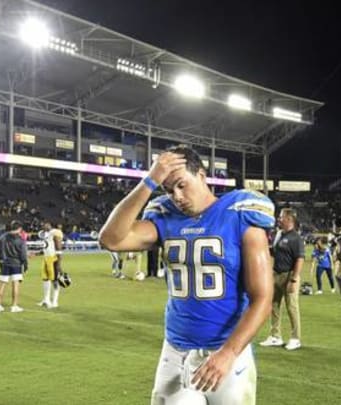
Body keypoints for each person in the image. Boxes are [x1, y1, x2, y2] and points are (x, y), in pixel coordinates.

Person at [99, 145, 274, 404]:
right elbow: (111, 239)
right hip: (176, 352)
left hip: (227, 353)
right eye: (169, 190)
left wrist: (228, 353)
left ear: (201, 176)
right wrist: (149, 182)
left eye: (182, 185)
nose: (177, 196)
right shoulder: (165, 216)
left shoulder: (240, 212)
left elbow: (262, 298)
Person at [260, 208, 305, 351]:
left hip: (289, 275)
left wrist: (294, 279)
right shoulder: (279, 234)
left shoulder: (296, 238)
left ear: (289, 219)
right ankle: (275, 336)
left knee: (292, 307)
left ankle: (295, 338)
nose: (278, 219)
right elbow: (274, 251)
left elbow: (300, 259)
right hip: (276, 274)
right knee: (273, 305)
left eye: (281, 217)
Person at [0, 221, 29, 313]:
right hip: (16, 264)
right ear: (19, 229)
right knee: (15, 285)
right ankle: (14, 306)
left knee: (2, 284)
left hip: (5, 263)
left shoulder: (3, 237)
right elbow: (23, 254)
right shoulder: (20, 240)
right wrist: (25, 264)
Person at [38, 221, 64, 308]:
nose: (43, 227)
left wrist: (59, 263)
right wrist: (36, 254)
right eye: (42, 226)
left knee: (54, 280)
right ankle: (46, 299)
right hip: (46, 259)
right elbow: (46, 248)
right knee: (45, 279)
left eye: (44, 225)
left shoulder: (55, 232)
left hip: (53, 259)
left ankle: (55, 301)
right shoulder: (46, 234)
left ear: (49, 224)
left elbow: (59, 248)